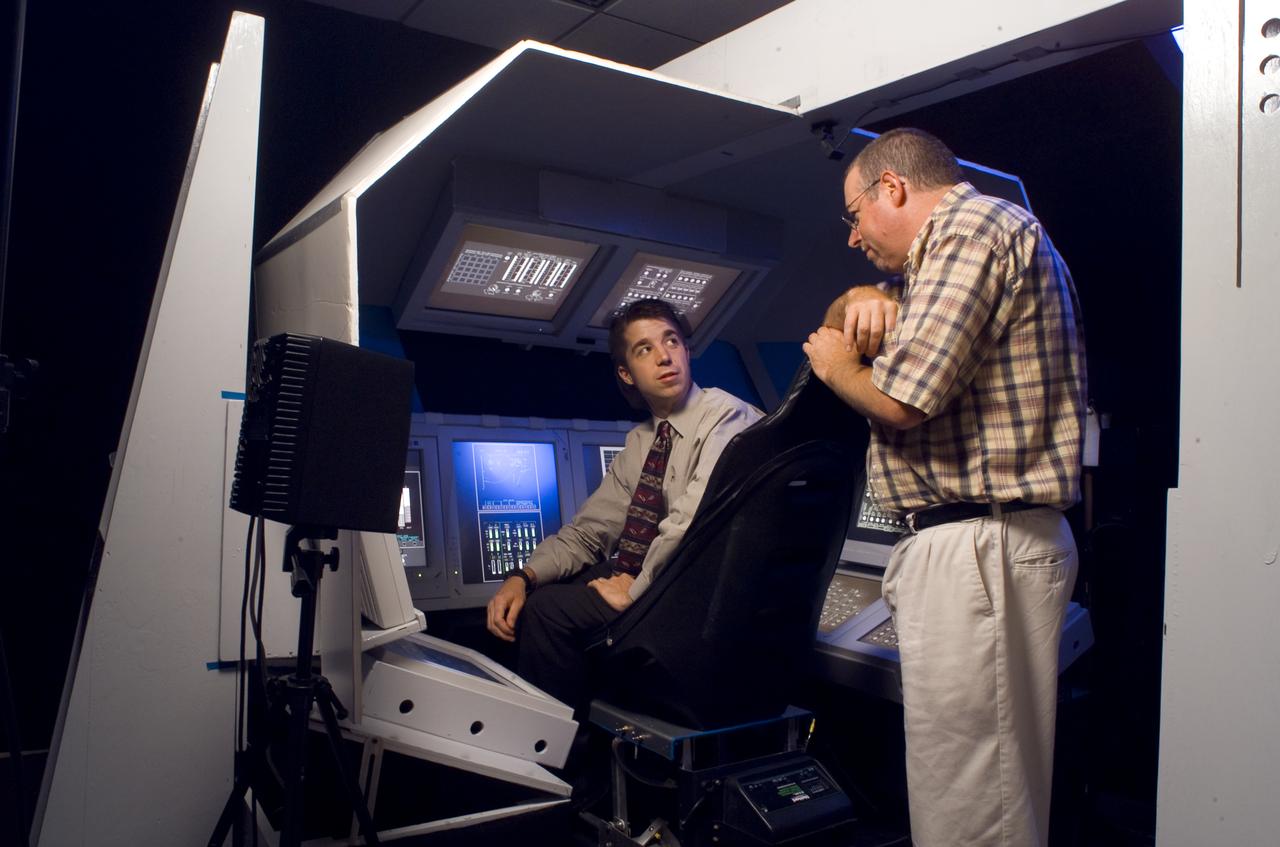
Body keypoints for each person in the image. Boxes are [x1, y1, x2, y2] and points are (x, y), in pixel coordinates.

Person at [803, 128, 1087, 847]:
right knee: (972, 793)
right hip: (975, 547)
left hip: (981, 548)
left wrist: (835, 364)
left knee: (972, 810)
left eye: (854, 216)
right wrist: (864, 296)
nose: (853, 235)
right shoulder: (956, 250)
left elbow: (903, 398)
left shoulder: (971, 228)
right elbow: (891, 321)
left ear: (891, 189)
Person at [486, 298, 762, 713]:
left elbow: (692, 524)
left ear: (687, 351)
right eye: (644, 349)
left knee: (548, 613)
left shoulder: (727, 419)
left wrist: (635, 589)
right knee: (537, 596)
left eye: (671, 341)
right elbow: (589, 532)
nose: (664, 356)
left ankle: (564, 764)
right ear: (626, 373)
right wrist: (522, 577)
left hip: (701, 594)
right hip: (666, 582)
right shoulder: (642, 441)